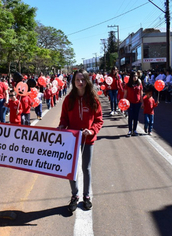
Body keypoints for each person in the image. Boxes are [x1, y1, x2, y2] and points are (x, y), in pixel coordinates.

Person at [58, 69, 103, 212]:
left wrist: (92, 130)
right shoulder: (68, 99)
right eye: (77, 79)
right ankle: (74, 196)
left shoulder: (93, 99)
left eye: (83, 79)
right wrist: (61, 126)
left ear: (87, 81)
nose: (80, 82)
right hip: (72, 139)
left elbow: (99, 120)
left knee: (86, 168)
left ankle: (86, 196)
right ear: (73, 81)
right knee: (71, 169)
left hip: (88, 139)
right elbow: (64, 117)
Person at [124, 71, 144, 136]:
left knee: (136, 117)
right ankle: (130, 130)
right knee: (130, 116)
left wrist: (142, 102)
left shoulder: (139, 84)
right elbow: (125, 94)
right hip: (130, 103)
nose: (135, 77)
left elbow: (141, 94)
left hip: (137, 103)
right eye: (134, 76)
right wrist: (123, 102)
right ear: (131, 77)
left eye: (136, 76)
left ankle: (134, 130)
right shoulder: (128, 85)